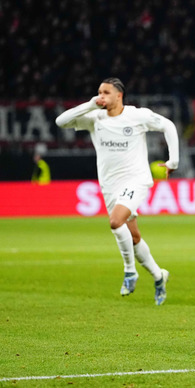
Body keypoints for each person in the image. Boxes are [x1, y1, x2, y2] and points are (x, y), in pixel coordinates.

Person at [55, 77, 179, 305]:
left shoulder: (136, 115)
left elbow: (168, 125)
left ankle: (130, 271)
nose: (101, 96)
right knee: (133, 237)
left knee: (115, 222)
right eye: (99, 92)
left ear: (119, 95)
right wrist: (91, 104)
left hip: (136, 180)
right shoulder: (95, 118)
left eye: (106, 92)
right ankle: (159, 276)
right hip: (110, 185)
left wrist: (173, 161)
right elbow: (61, 121)